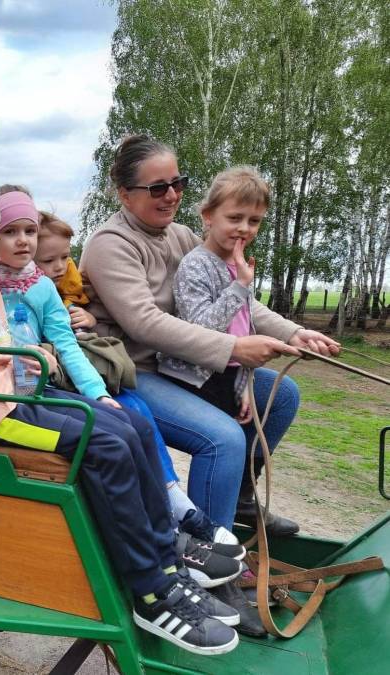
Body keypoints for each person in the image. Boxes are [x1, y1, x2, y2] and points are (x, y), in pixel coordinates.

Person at [0, 175, 241, 656]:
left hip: (18, 395)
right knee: (104, 444)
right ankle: (150, 592)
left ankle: (167, 564)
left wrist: (31, 353)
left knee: (132, 425)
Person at [79, 134, 339, 538]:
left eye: (177, 183)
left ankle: (239, 499)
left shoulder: (181, 236)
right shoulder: (111, 245)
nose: (171, 195)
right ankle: (208, 549)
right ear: (125, 194)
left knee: (282, 395)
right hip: (133, 372)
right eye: (157, 188)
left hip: (179, 365)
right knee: (224, 438)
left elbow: (234, 301)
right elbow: (144, 323)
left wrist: (295, 333)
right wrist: (234, 348)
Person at [0, 188, 243, 584]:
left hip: (38, 389)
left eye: (29, 231)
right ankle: (157, 559)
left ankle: (171, 528)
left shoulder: (41, 287)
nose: (22, 241)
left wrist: (98, 394)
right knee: (109, 441)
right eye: (10, 231)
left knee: (131, 422)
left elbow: (68, 345)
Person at [158, 166, 271, 421]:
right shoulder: (196, 264)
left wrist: (246, 382)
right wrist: (240, 285)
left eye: (254, 221)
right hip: (194, 379)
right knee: (229, 438)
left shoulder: (237, 265)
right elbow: (202, 329)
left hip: (229, 374)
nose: (245, 228)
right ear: (208, 216)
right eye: (235, 218)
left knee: (276, 403)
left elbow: (243, 327)